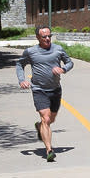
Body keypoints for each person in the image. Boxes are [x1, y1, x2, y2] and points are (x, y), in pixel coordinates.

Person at [15, 24, 74, 161]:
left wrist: (63, 69)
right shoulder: (30, 52)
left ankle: (39, 126)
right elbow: (20, 64)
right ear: (37, 37)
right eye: (44, 37)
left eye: (49, 36)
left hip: (55, 90)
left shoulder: (58, 49)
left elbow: (69, 62)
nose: (47, 39)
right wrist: (22, 80)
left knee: (51, 119)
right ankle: (49, 150)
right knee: (46, 118)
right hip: (39, 89)